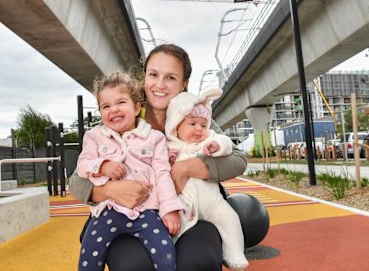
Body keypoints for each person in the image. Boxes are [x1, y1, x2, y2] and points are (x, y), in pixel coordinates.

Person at [70, 44, 248, 271]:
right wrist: (111, 190)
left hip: (188, 210)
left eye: (171, 77)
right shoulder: (122, 112)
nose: (160, 85)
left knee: (196, 262)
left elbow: (238, 159)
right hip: (132, 213)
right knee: (133, 266)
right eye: (153, 74)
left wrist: (185, 168)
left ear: (184, 84)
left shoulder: (193, 115)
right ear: (144, 76)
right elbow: (76, 180)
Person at [76, 70, 184, 271]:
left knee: (166, 254)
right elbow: (82, 166)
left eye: (120, 102)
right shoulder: (94, 136)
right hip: (107, 211)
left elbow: (162, 175)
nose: (113, 110)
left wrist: (170, 209)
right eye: (106, 106)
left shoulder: (154, 138)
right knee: (88, 259)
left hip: (146, 211)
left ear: (136, 107)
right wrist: (103, 165)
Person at [165, 87, 248, 270]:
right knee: (172, 227)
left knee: (230, 219)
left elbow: (227, 145)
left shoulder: (208, 140)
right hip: (185, 203)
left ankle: (234, 253)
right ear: (176, 126)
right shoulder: (169, 145)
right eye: (192, 124)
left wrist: (215, 145)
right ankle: (166, 255)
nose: (199, 129)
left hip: (213, 202)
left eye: (203, 125)